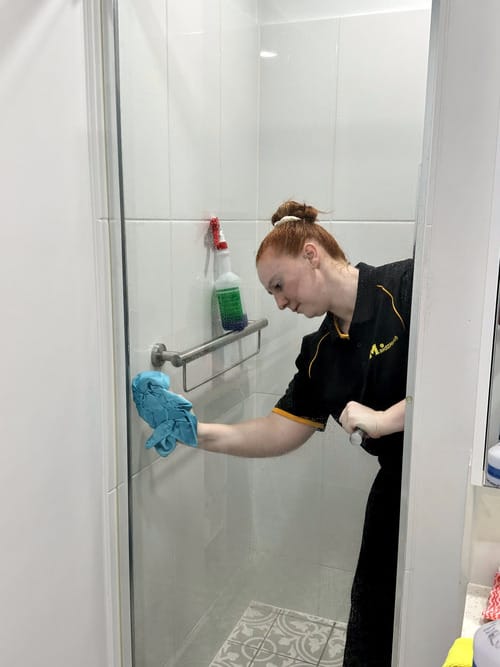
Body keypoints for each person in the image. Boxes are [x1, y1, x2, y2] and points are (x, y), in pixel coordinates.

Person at [149, 199, 411, 666]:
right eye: (272, 294)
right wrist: (196, 432)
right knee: (372, 622)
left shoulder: (405, 287)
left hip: (445, 477)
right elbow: (277, 431)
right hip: (396, 488)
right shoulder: (321, 351)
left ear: (311, 254)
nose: (280, 302)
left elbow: (453, 381)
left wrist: (385, 419)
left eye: (278, 285)